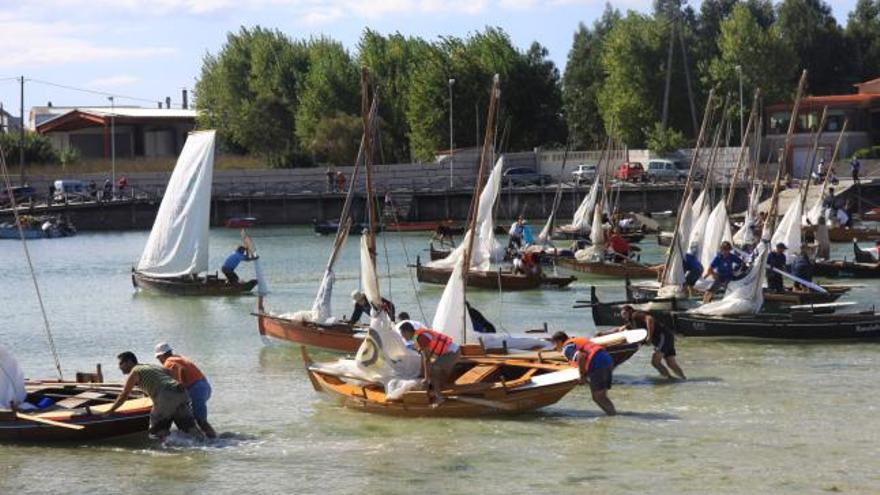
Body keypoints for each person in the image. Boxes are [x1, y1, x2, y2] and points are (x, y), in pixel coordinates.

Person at [102, 351, 204, 441]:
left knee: (156, 429)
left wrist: (110, 411)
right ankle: (205, 443)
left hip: (166, 395)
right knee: (188, 427)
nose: (119, 367)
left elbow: (123, 395)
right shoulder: (151, 366)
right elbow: (172, 372)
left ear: (129, 362)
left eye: (120, 363)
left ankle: (166, 453)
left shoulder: (135, 371)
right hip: (181, 393)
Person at [154, 343, 216, 439]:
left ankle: (214, 441)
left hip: (196, 389)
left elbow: (179, 373)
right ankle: (202, 437)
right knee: (193, 416)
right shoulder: (178, 357)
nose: (159, 361)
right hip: (204, 386)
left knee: (201, 420)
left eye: (158, 358)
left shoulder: (169, 363)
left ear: (161, 355)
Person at [551, 331, 616, 415]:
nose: (555, 347)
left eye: (555, 344)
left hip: (597, 362)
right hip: (607, 359)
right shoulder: (575, 341)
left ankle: (613, 416)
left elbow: (581, 356)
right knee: (601, 396)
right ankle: (613, 416)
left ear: (559, 341)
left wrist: (582, 376)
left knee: (598, 397)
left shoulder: (566, 348)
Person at [398, 323, 461, 404]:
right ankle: (441, 389)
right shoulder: (416, 338)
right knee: (434, 370)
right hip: (450, 352)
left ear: (407, 332)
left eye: (402, 334)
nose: (402, 337)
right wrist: (422, 373)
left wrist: (426, 378)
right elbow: (424, 357)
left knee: (434, 370)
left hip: (452, 353)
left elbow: (427, 359)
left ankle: (439, 397)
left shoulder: (421, 338)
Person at [618, 305, 685, 380]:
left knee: (655, 362)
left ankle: (669, 379)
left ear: (630, 311)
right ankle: (683, 379)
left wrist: (649, 337)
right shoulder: (632, 322)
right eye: (622, 314)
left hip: (663, 337)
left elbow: (649, 319)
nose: (623, 316)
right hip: (666, 337)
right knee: (671, 363)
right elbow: (622, 329)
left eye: (624, 313)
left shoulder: (635, 315)